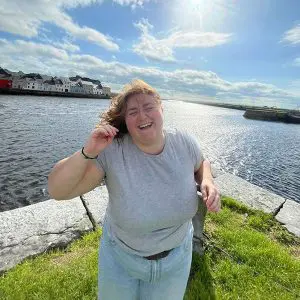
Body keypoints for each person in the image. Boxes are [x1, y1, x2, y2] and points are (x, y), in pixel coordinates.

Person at [47, 79, 221, 300]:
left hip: (176, 258)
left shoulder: (184, 141)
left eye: (149, 107)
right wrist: (88, 151)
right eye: (133, 112)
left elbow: (201, 162)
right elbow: (58, 190)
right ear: (125, 121)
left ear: (161, 109)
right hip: (121, 259)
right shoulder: (112, 152)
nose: (142, 116)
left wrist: (208, 180)